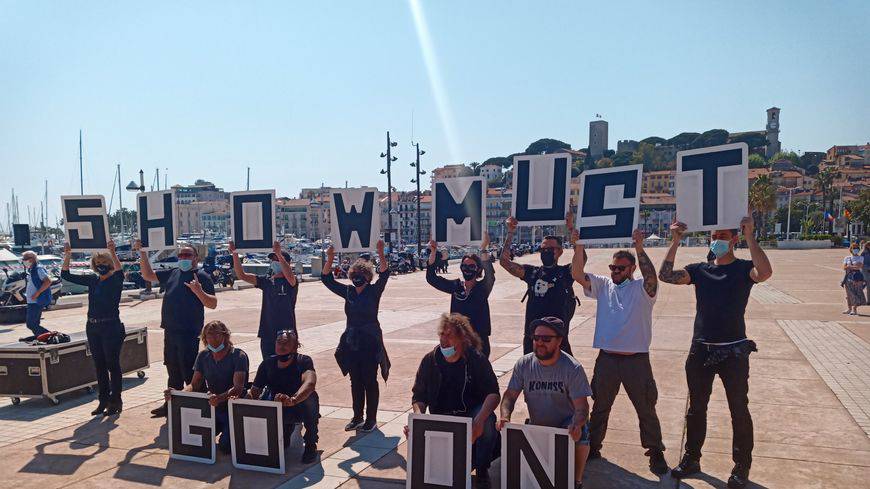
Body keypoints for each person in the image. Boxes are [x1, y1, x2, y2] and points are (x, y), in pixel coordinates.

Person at [658, 217, 772, 489]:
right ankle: (692, 458)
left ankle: (741, 466)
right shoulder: (700, 270)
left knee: (738, 410)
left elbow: (765, 272)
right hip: (701, 349)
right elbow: (665, 276)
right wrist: (675, 241)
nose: (717, 239)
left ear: (734, 239)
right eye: (714, 235)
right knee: (696, 409)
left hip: (733, 350)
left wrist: (751, 236)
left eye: (723, 235)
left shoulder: (745, 269)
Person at [571, 228, 668, 475]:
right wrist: (579, 245)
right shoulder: (603, 285)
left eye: (620, 268)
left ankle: (655, 452)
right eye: (613, 268)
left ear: (632, 269)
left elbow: (652, 278)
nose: (615, 272)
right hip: (607, 359)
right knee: (601, 406)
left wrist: (639, 247)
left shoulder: (642, 290)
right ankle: (593, 447)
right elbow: (577, 274)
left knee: (646, 408)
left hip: (636, 361)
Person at [497, 317, 592, 489]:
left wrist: (577, 424)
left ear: (559, 341)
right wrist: (505, 416)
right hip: (539, 424)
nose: (540, 342)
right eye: (536, 338)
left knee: (583, 433)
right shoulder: (524, 364)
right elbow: (510, 395)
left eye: (546, 339)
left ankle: (577, 481)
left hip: (566, 425)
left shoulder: (572, 368)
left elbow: (582, 407)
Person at [408, 314, 500, 488]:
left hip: (470, 415)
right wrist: (419, 419)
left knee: (488, 421)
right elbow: (419, 396)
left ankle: (482, 469)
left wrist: (480, 420)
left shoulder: (476, 359)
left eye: (449, 335)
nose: (444, 339)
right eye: (442, 334)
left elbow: (493, 393)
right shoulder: (430, 360)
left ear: (462, 338)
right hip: (443, 418)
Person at [136, 240, 217, 418]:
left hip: (188, 333)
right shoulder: (173, 273)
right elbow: (148, 275)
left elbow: (212, 304)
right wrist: (142, 253)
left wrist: (199, 292)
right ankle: (170, 405)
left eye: (187, 255)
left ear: (196, 258)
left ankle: (194, 406)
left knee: (189, 371)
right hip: (170, 331)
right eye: (181, 255)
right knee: (172, 370)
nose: (183, 258)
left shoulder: (201, 276)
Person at [321, 239, 390, 432]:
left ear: (367, 276)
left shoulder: (374, 291)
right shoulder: (349, 291)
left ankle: (371, 418)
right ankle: (357, 416)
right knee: (355, 381)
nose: (357, 277)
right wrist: (330, 257)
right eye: (355, 274)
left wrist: (380, 252)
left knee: (370, 380)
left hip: (370, 342)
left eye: (361, 275)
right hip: (352, 343)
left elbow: (385, 274)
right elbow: (326, 279)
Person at [60, 240, 126, 416]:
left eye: (104, 263)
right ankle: (103, 400)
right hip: (93, 326)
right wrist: (67, 254)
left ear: (110, 263)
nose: (101, 266)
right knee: (99, 365)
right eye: (98, 264)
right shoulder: (92, 280)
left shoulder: (116, 279)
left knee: (113, 364)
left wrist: (112, 251)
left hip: (111, 326)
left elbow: (120, 271)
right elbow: (66, 275)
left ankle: (116, 400)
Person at [499, 215, 578, 355]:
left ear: (560, 251)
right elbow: (504, 262)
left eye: (551, 249)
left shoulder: (565, 273)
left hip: (557, 339)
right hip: (533, 340)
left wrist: (572, 229)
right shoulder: (531, 273)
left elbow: (581, 260)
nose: (546, 252)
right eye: (543, 249)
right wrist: (510, 232)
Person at [166, 320, 248, 454]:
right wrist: (178, 393)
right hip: (213, 406)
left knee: (226, 447)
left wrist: (220, 398)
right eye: (209, 335)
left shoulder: (238, 356)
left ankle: (235, 431)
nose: (213, 339)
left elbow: (238, 388)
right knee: (195, 440)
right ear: (204, 338)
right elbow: (194, 384)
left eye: (217, 335)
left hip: (233, 407)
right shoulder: (203, 356)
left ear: (225, 336)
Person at [248, 330, 319, 464]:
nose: (281, 346)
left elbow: (310, 382)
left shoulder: (303, 360)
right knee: (282, 443)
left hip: (298, 405)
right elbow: (255, 391)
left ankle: (311, 444)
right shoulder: (267, 364)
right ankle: (285, 431)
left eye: (286, 343)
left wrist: (293, 400)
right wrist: (241, 398)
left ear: (295, 346)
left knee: (310, 398)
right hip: (278, 407)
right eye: (278, 342)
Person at [425, 234, 496, 357]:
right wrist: (433, 251)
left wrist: (484, 248)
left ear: (479, 269)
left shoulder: (482, 289)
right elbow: (431, 278)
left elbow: (490, 275)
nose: (467, 269)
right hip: (458, 341)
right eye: (464, 266)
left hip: (480, 342)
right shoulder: (456, 286)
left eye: (471, 266)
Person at [229, 240, 298, 358]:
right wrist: (235, 254)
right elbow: (242, 275)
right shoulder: (267, 281)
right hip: (267, 332)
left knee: (287, 367)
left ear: (287, 262)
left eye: (278, 260)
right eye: (273, 260)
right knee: (268, 367)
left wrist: (279, 254)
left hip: (287, 333)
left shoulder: (292, 282)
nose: (275, 262)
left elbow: (290, 277)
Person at [19, 250, 53, 342]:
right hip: (32, 301)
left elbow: (48, 281)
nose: (23, 261)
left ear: (31, 259)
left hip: (36, 301)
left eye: (24, 259)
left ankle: (51, 335)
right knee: (34, 323)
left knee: (31, 324)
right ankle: (42, 338)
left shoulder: (38, 269)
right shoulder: (32, 269)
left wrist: (37, 293)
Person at [842, 242, 865, 315]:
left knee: (856, 293)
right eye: (854, 248)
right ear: (851, 249)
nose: (856, 249)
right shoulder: (847, 257)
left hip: (857, 277)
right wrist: (852, 266)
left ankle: (854, 309)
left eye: (857, 248)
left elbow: (859, 266)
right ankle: (849, 309)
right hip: (848, 277)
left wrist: (849, 266)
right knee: (849, 294)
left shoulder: (861, 257)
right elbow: (844, 267)